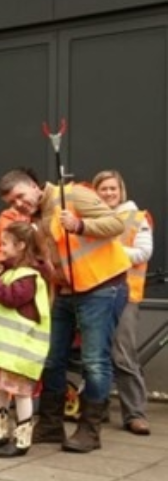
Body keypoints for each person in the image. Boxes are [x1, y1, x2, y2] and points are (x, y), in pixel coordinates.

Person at [0, 168, 129, 453]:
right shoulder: (36, 220)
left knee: (95, 361)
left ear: (34, 187)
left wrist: (80, 226)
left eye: (20, 196)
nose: (18, 204)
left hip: (102, 287)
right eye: (12, 202)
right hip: (67, 292)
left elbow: (117, 223)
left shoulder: (73, 195)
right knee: (51, 358)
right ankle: (50, 424)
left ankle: (90, 430)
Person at [0, 221, 52, 458]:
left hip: (19, 353)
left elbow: (9, 298)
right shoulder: (7, 272)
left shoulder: (30, 276)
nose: (0, 247)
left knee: (21, 393)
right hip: (3, 352)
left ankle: (22, 439)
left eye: (5, 243)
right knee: (0, 390)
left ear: (21, 246)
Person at [93, 170, 152, 436]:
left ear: (121, 191)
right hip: (95, 293)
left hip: (126, 293)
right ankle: (97, 407)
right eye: (103, 189)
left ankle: (135, 414)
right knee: (96, 354)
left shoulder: (137, 218)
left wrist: (109, 250)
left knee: (123, 354)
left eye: (112, 189)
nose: (108, 194)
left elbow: (143, 252)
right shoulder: (91, 219)